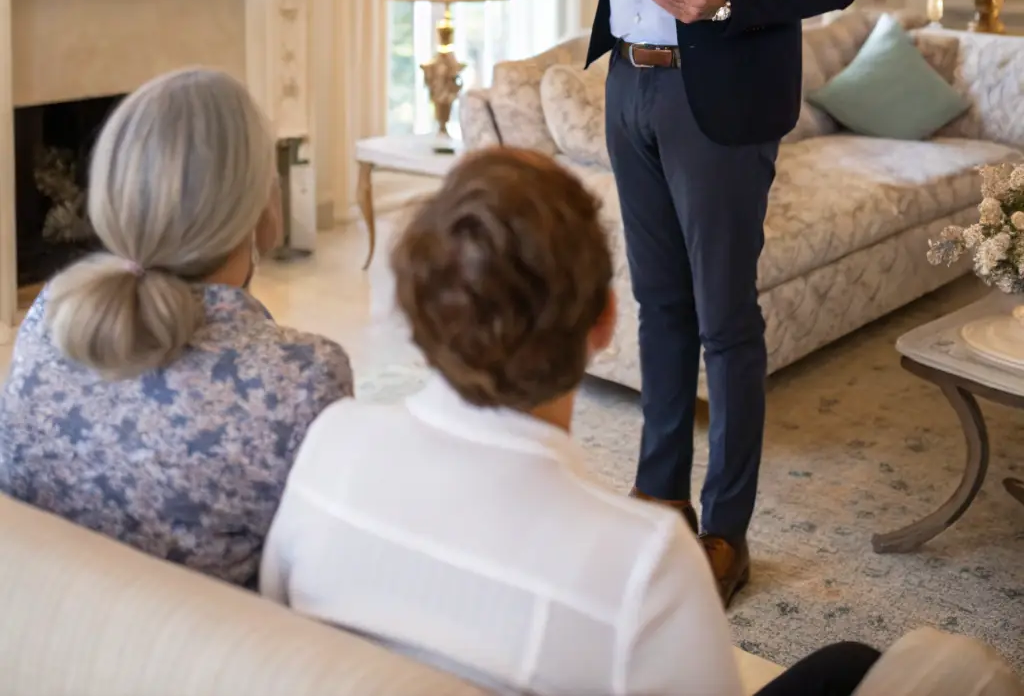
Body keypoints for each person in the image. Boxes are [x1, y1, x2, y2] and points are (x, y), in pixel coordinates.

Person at [345, 0, 864, 605]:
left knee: (725, 321)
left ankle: (724, 529)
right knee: (659, 307)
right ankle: (656, 503)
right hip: (628, 80)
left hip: (719, 97)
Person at [261, 148, 880, 696]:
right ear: (606, 323)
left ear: (419, 307)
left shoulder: (330, 445)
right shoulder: (648, 562)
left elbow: (277, 647)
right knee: (857, 666)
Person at [0, 67, 352, 588]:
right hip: (200, 662)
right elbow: (318, 583)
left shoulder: (50, 314)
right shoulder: (302, 376)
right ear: (261, 205)